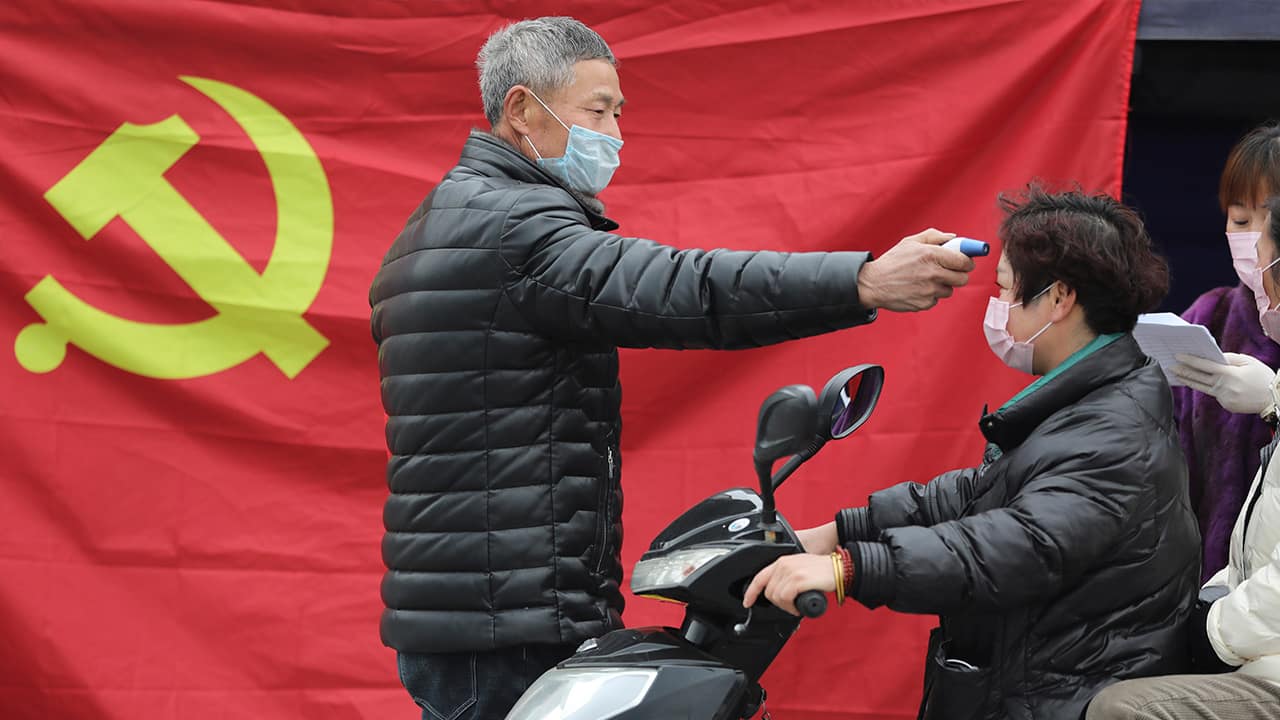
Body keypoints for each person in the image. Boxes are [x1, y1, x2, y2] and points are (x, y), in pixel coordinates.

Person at [368, 16, 976, 720]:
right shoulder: (513, 229)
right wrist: (862, 281)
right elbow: (684, 287)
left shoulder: (433, 229)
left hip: (474, 610)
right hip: (511, 621)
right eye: (598, 111)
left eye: (619, 113)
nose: (615, 135)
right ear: (522, 110)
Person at [744, 186, 1201, 720]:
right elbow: (984, 491)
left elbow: (1020, 543)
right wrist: (840, 530)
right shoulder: (1094, 395)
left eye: (1005, 288)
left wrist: (851, 568)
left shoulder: (1113, 431)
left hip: (1061, 696)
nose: (997, 307)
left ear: (1059, 298)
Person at [1086, 196, 1280, 719]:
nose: (1259, 277)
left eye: (1264, 249)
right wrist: (1200, 605)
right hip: (1247, 630)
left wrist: (1208, 631)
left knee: (1121, 708)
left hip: (1258, 649)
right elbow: (1252, 554)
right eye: (1237, 219)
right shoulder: (1211, 314)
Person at [1167, 123, 1280, 582]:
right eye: (1239, 220)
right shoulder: (1209, 316)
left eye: (1268, 219)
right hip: (1207, 588)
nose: (1254, 237)